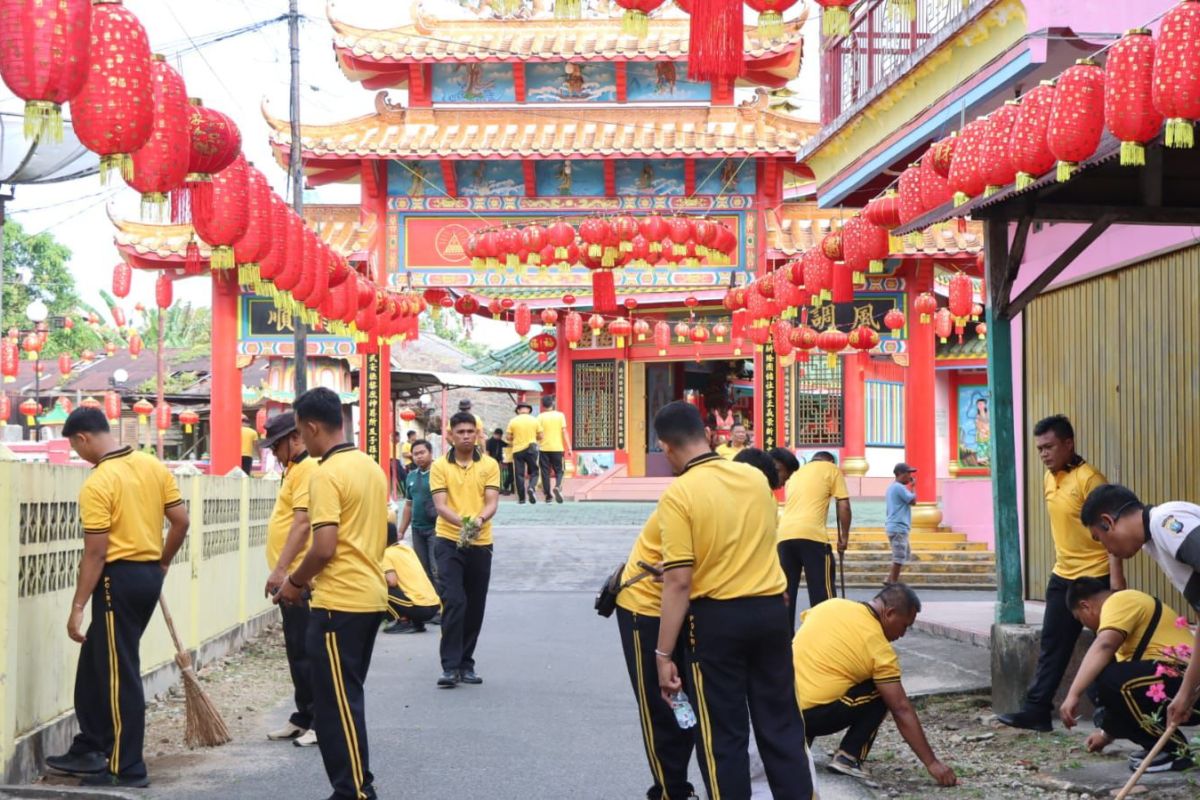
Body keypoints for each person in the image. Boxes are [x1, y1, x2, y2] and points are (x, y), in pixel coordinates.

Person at [653, 401, 813, 800]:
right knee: (781, 724)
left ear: (665, 447)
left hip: (717, 619)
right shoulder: (755, 479)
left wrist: (663, 654)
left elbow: (678, 582)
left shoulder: (679, 494)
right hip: (771, 612)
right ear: (708, 434)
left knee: (725, 735)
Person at [47, 408, 190, 788]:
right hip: (147, 577)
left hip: (117, 581)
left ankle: (126, 768)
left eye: (74, 447)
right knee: (96, 661)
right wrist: (162, 562)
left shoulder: (99, 483)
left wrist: (78, 607)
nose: (78, 454)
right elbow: (181, 521)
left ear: (82, 438)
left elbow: (95, 554)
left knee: (118, 673)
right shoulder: (152, 466)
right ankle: (90, 746)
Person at [275, 387, 388, 800]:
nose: (302, 440)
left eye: (300, 431)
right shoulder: (371, 467)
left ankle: (354, 792)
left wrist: (294, 582)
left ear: (311, 427)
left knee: (335, 709)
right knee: (343, 701)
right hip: (368, 596)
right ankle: (352, 788)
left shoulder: (325, 474)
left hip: (339, 602)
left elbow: (323, 547)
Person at [998, 415, 1125, 733]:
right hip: (1063, 575)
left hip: (1095, 578)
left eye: (1049, 446)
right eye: (1039, 448)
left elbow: (1111, 531)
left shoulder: (1090, 480)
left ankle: (1118, 717)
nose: (1043, 454)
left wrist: (1115, 582)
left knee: (1111, 649)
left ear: (1069, 444)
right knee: (1052, 646)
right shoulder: (1048, 478)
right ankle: (1036, 711)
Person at [793, 585, 957, 787]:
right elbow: (901, 709)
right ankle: (848, 757)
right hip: (814, 717)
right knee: (884, 693)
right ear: (890, 613)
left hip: (782, 711)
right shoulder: (879, 649)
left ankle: (800, 741)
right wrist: (932, 763)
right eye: (905, 625)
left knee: (826, 673)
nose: (903, 634)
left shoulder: (830, 606)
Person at [1081, 485, 1200, 735]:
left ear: (1107, 522)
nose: (1107, 550)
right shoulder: (1154, 543)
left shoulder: (1165, 522)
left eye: (1100, 539)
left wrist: (1185, 692)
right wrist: (1186, 692)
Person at [1060, 579, 1198, 773]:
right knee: (1102, 684)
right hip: (1171, 686)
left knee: (1110, 680)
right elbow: (1123, 698)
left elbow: (1104, 645)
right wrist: (1106, 735)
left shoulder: (1119, 600)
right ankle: (1157, 747)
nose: (1086, 625)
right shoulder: (1123, 630)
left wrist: (1073, 694)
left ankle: (1173, 751)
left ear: (1086, 606)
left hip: (1188, 681)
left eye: (1080, 619)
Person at [261, 412, 321, 748]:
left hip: (301, 577)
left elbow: (302, 524)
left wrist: (282, 571)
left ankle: (319, 720)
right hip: (290, 577)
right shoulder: (293, 470)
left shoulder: (308, 469)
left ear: (295, 438)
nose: (273, 452)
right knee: (297, 650)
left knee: (309, 652)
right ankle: (303, 716)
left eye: (276, 445)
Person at [431, 411, 501, 688]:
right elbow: (440, 506)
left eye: (470, 431)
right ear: (450, 435)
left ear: (477, 434)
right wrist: (465, 523)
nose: (466, 436)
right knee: (454, 601)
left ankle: (465, 663)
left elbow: (492, 501)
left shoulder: (489, 465)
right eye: (460, 432)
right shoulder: (439, 466)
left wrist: (479, 521)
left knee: (474, 605)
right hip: (448, 540)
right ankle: (449, 667)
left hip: (481, 542)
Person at [778, 451, 850, 622]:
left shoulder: (795, 475)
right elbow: (844, 505)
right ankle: (825, 632)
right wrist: (844, 538)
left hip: (784, 536)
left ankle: (785, 636)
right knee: (822, 593)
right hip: (813, 536)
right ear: (830, 460)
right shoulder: (831, 468)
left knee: (786, 592)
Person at [382, 523, 441, 634]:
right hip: (433, 605)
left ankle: (403, 621)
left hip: (419, 607)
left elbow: (392, 581)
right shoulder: (407, 549)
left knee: (379, 588)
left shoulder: (386, 554)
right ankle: (416, 623)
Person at [399, 439, 438, 590]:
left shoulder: (439, 473)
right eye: (415, 454)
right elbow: (408, 505)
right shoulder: (411, 476)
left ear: (430, 453)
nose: (419, 456)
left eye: (422, 453)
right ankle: (431, 601)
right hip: (417, 530)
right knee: (423, 570)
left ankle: (443, 602)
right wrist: (401, 531)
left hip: (436, 529)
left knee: (437, 570)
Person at [884, 463, 917, 586]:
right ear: (899, 474)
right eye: (907, 473)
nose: (910, 476)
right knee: (899, 557)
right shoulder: (899, 487)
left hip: (896, 526)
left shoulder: (892, 487)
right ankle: (893, 583)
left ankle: (889, 579)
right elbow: (913, 501)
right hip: (898, 527)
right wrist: (912, 487)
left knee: (903, 554)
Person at [537, 395, 571, 504]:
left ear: (543, 405)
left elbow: (538, 434)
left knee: (545, 472)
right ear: (553, 403)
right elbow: (564, 432)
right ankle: (557, 486)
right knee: (559, 470)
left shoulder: (540, 417)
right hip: (557, 448)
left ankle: (548, 496)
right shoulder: (560, 416)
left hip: (543, 449)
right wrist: (569, 447)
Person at [506, 402, 541, 505]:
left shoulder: (513, 421)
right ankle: (531, 487)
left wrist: (515, 437)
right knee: (534, 472)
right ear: (529, 410)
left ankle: (521, 499)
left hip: (518, 450)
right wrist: (533, 437)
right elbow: (541, 436)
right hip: (531, 449)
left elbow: (508, 437)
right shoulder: (535, 420)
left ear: (518, 410)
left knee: (519, 474)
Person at [390, 431, 406, 498]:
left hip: (397, 461)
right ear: (395, 437)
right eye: (399, 437)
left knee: (404, 476)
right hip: (393, 461)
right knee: (398, 478)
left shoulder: (397, 445)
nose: (399, 439)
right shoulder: (389, 444)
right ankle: (401, 493)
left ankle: (404, 492)